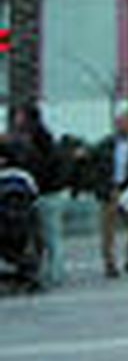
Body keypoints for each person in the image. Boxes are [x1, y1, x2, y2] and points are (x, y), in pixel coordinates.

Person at [8, 105, 65, 288]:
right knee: (42, 236)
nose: (16, 120)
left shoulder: (38, 139)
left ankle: (56, 274)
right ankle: (46, 272)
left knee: (51, 235)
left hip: (46, 192)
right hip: (37, 191)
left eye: (19, 116)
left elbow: (42, 164)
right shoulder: (31, 138)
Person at [92, 111, 128, 278]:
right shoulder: (106, 145)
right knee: (108, 230)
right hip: (111, 189)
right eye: (118, 123)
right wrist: (102, 188)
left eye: (124, 122)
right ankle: (110, 263)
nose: (120, 126)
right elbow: (95, 165)